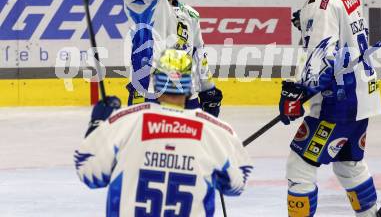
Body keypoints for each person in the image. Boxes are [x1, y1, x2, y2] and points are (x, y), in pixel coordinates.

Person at [74, 49, 253, 217]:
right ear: (190, 87)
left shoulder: (127, 121)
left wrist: (97, 124)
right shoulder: (215, 131)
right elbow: (236, 185)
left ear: (156, 85)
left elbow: (87, 171)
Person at [279, 0, 381, 216]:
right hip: (362, 98)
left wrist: (297, 93)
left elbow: (323, 54)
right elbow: (343, 39)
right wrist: (307, 23)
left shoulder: (321, 5)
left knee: (299, 167)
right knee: (348, 165)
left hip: (336, 103)